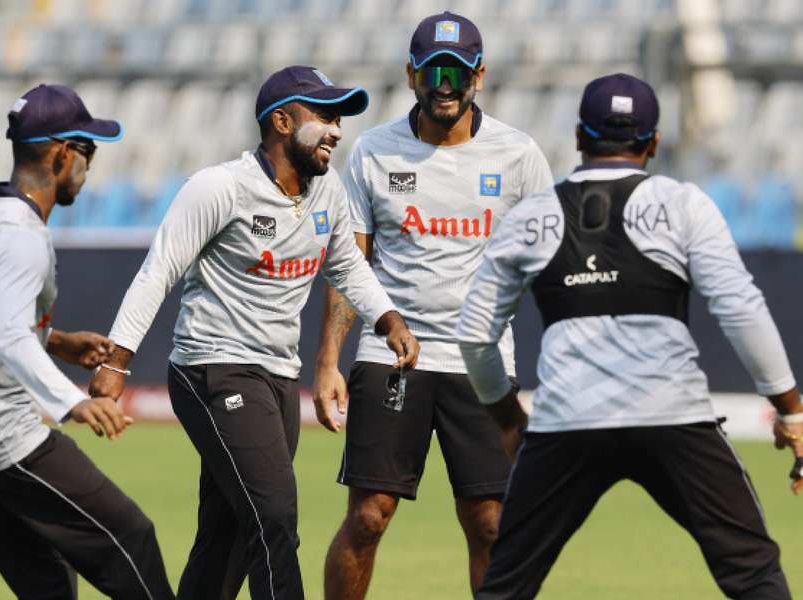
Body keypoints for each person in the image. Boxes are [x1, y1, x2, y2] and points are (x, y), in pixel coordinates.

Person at [457, 73, 803, 599]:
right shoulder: (684, 204)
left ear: (577, 137)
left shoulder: (530, 217)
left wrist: (508, 419)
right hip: (673, 416)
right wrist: (791, 410)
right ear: (654, 142)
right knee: (753, 574)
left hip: (566, 422)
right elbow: (740, 308)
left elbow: (476, 336)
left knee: (505, 587)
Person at [88, 66, 419, 600]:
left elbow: (348, 266)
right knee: (274, 516)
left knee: (228, 532)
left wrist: (389, 318)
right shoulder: (220, 187)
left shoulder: (328, 190)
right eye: (326, 116)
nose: (337, 129)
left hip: (278, 377)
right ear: (282, 121)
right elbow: (159, 271)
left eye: (341, 118)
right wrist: (115, 364)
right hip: (212, 367)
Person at [314, 11, 554, 599]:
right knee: (369, 516)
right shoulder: (373, 152)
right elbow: (350, 266)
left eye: (458, 71)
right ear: (411, 73)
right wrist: (326, 362)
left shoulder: (519, 156)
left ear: (479, 75)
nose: (444, 83)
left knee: (491, 523)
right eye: (432, 70)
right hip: (391, 354)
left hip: (482, 361)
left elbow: (548, 261)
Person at [0, 84, 175, 600]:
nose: (89, 167)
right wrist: (74, 403)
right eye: (89, 151)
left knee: (48, 587)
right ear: (63, 152)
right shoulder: (22, 237)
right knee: (131, 538)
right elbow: (11, 337)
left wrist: (57, 341)